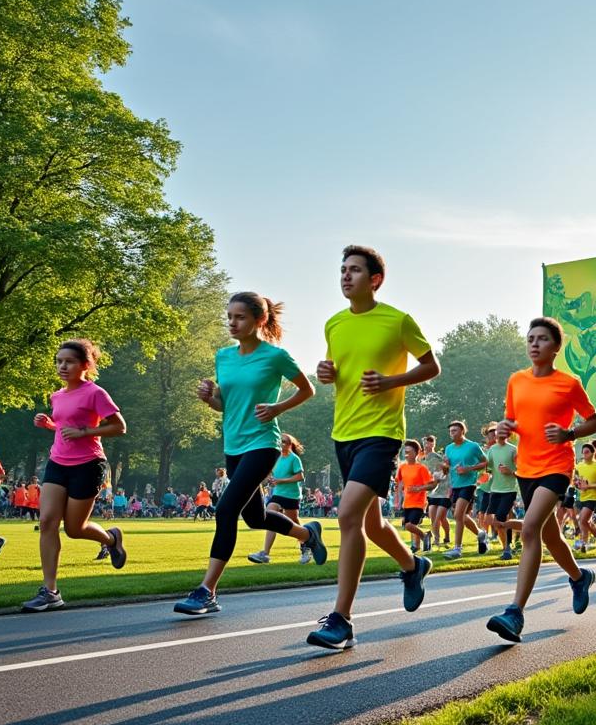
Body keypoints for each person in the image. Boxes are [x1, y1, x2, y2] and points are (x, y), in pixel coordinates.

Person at [306, 245, 436, 649]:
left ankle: (341, 619)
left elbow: (431, 366)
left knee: (347, 515)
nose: (346, 276)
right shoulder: (334, 324)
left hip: (382, 433)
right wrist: (325, 373)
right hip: (343, 433)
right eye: (342, 270)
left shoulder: (397, 321)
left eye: (355, 270)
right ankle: (412, 565)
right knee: (371, 523)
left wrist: (391, 381)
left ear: (375, 279)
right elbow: (335, 369)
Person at [174, 293, 325, 616]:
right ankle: (307, 533)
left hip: (262, 444)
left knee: (225, 510)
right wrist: (208, 398)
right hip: (233, 446)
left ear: (259, 320)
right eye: (229, 316)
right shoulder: (223, 357)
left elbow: (307, 389)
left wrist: (277, 408)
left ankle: (207, 591)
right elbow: (225, 406)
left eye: (239, 317)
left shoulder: (275, 356)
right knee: (254, 517)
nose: (232, 322)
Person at [485, 317, 596, 643]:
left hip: (557, 466)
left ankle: (515, 612)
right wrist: (507, 427)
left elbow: (594, 421)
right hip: (526, 468)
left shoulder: (568, 383)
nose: (534, 343)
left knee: (531, 527)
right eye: (530, 338)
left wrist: (569, 433)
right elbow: (513, 417)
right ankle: (579, 577)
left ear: (555, 348)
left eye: (542, 339)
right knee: (549, 537)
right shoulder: (516, 380)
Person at [21, 339, 127, 611]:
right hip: (58, 462)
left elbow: (118, 426)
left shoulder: (95, 393)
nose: (62, 366)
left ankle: (111, 539)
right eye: (59, 361)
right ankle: (50, 591)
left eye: (69, 361)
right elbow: (66, 426)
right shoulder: (57, 395)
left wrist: (86, 432)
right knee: (46, 522)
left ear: (85, 365)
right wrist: (51, 425)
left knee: (74, 529)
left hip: (88, 464)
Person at [249, 434, 315, 565]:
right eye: (280, 442)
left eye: (284, 442)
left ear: (290, 444)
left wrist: (281, 481)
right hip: (278, 494)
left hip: (291, 495)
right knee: (270, 518)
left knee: (294, 523)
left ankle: (307, 546)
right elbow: (270, 473)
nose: (281, 444)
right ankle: (265, 554)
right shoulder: (276, 458)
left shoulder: (294, 458)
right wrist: (268, 478)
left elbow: (300, 477)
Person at [441, 421, 489, 560]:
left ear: (463, 431)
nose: (452, 433)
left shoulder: (473, 446)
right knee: (460, 516)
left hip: (469, 484)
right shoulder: (449, 448)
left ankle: (457, 549)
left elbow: (485, 463)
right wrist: (445, 465)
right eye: (451, 431)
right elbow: (446, 470)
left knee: (458, 514)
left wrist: (468, 469)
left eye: (455, 430)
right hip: (455, 485)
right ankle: (481, 534)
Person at [483, 427, 522, 559]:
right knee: (489, 520)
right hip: (495, 490)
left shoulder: (513, 449)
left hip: (509, 490)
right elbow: (487, 467)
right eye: (497, 432)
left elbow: (521, 470)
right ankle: (512, 539)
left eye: (501, 431)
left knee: (500, 517)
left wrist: (510, 472)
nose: (498, 433)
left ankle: (507, 549)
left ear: (508, 434)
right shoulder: (492, 450)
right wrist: (483, 473)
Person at [394, 439, 436, 551]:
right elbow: (398, 484)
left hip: (419, 503)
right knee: (410, 526)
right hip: (407, 502)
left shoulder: (421, 468)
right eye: (405, 452)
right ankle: (416, 546)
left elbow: (432, 485)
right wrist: (397, 501)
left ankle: (425, 536)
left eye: (409, 452)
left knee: (409, 525)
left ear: (416, 453)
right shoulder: (402, 467)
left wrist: (419, 488)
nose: (406, 455)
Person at [572, 443, 596, 554]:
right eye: (583, 452)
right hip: (582, 497)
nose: (584, 454)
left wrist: (589, 486)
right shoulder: (579, 466)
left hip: (594, 498)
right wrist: (577, 484)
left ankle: (583, 544)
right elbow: (575, 480)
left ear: (593, 453)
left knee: (582, 520)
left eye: (587, 452)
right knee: (586, 522)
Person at [421, 435, 452, 550]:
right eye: (424, 442)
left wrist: (439, 476)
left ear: (433, 444)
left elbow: (447, 471)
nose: (426, 445)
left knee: (440, 517)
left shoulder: (439, 457)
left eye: (429, 442)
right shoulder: (422, 460)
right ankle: (437, 540)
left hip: (444, 491)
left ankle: (446, 536)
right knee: (434, 516)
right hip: (432, 493)